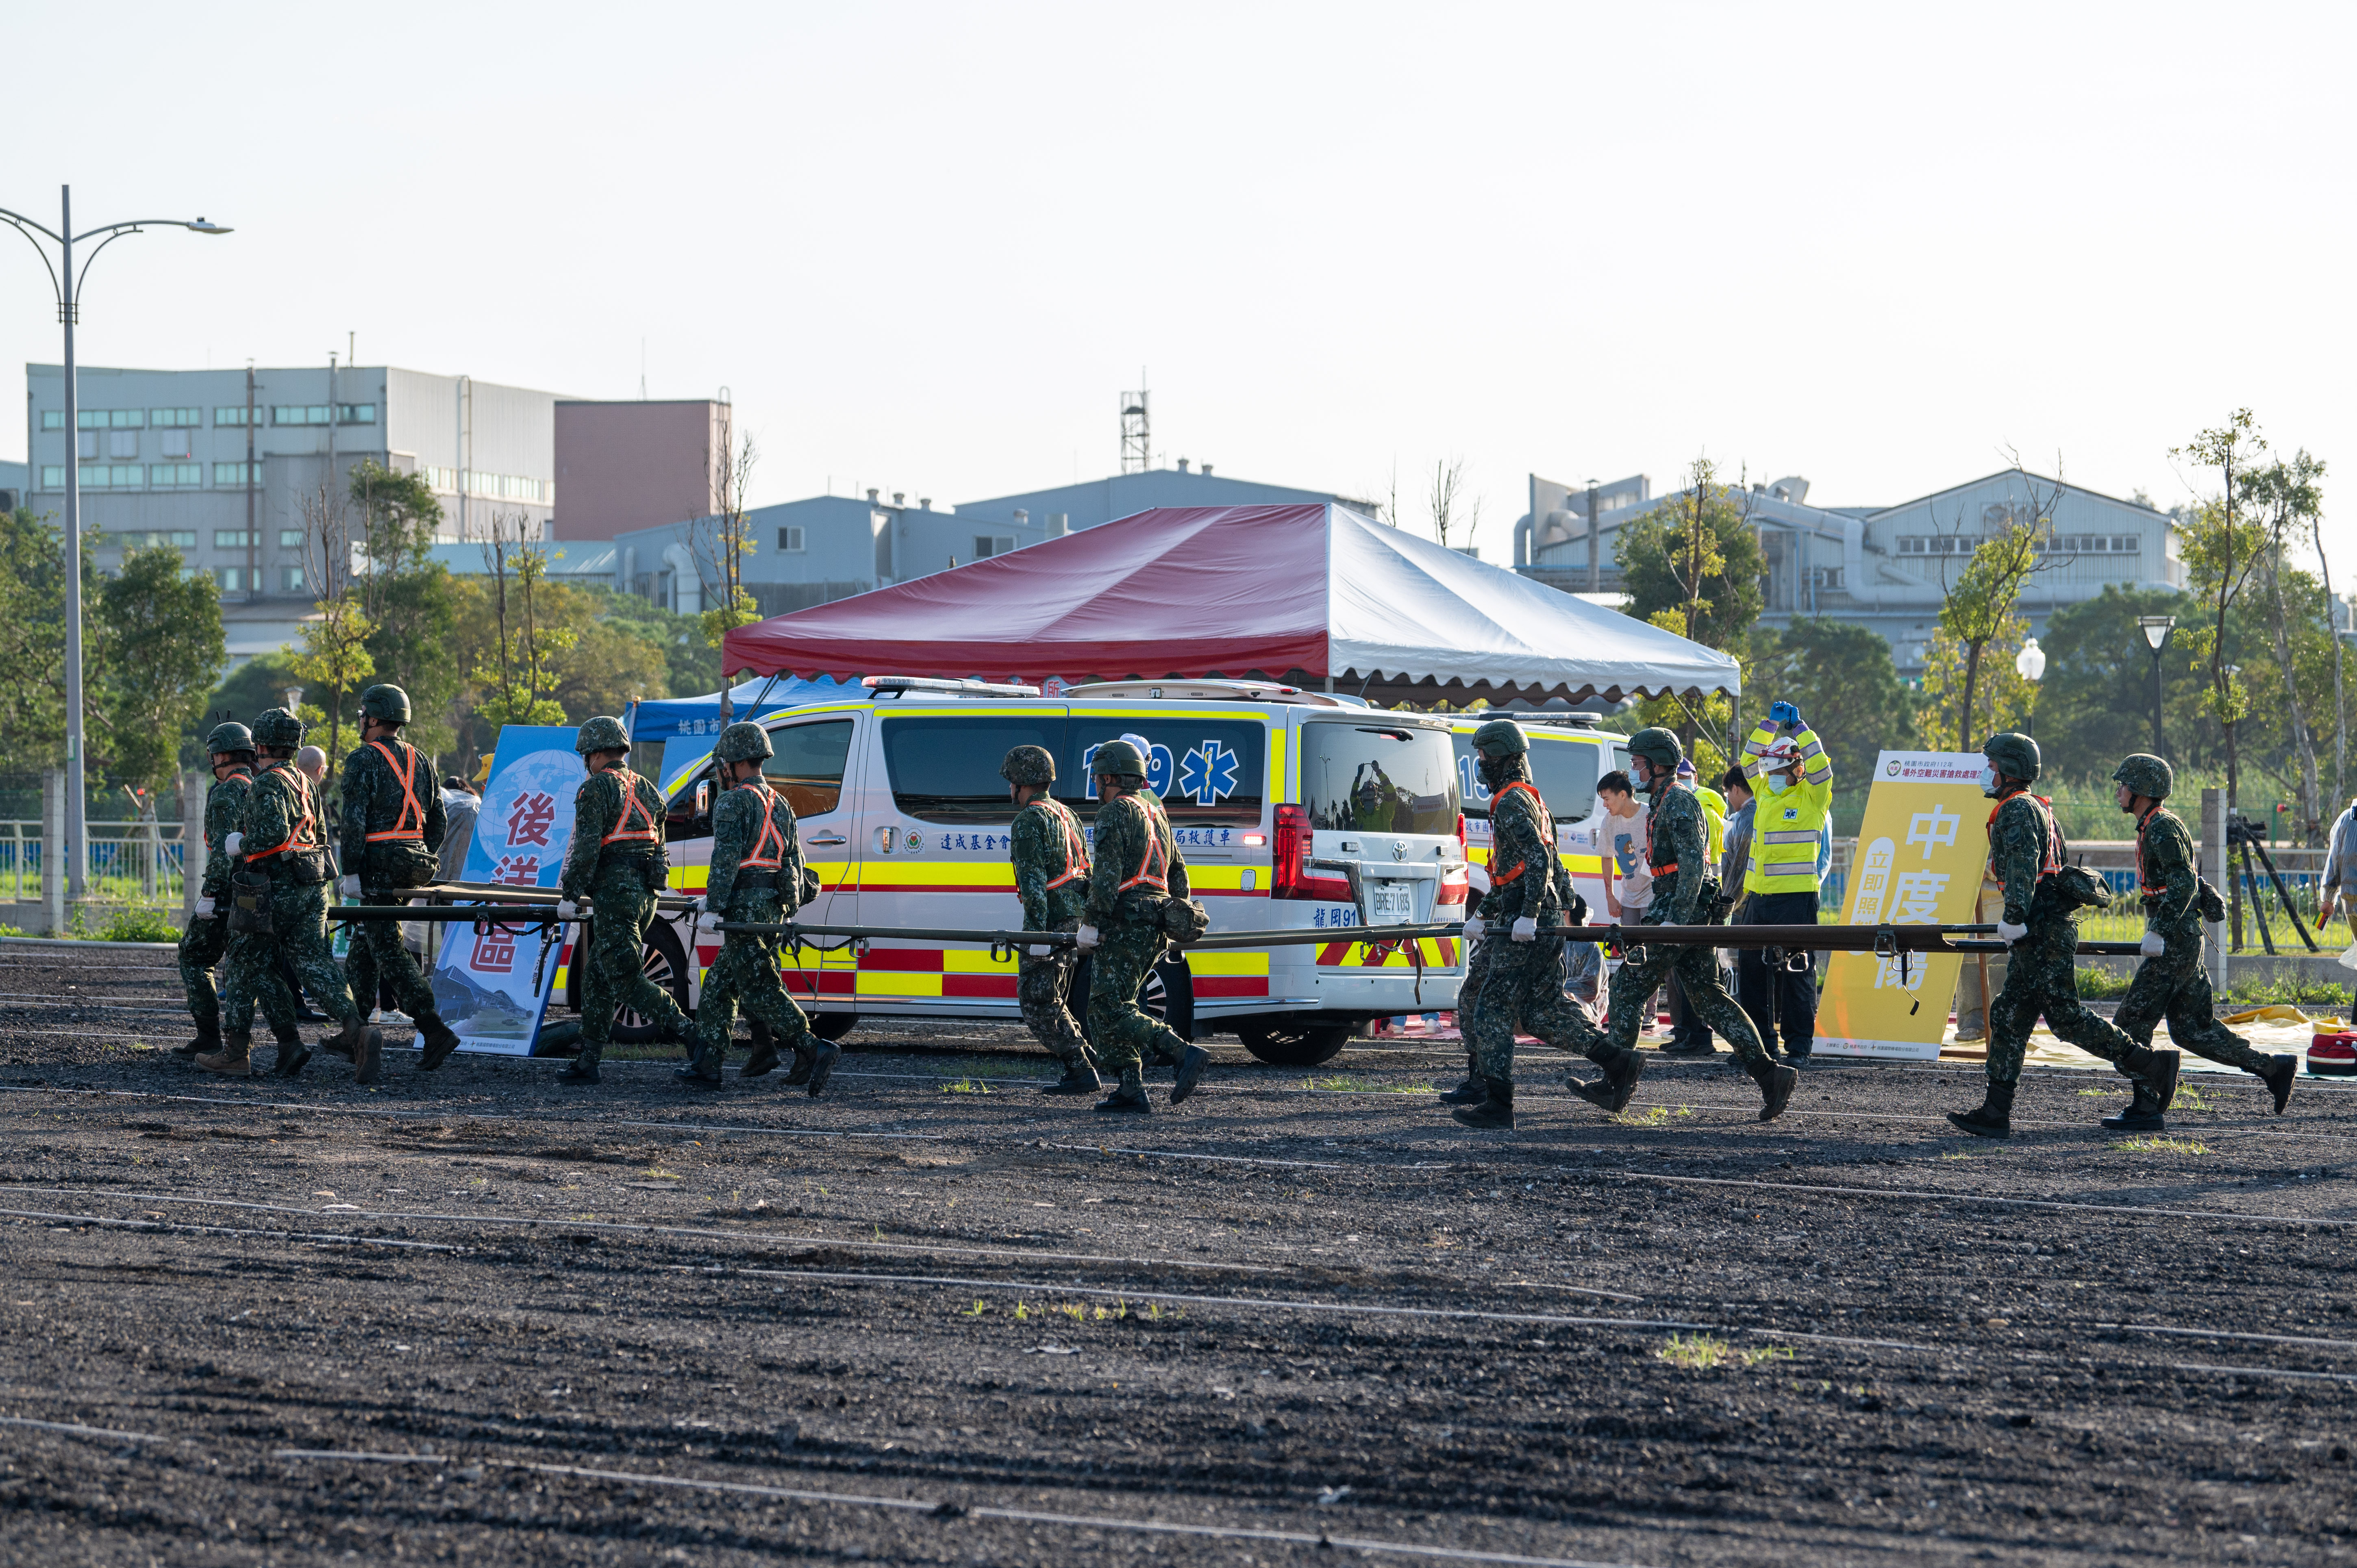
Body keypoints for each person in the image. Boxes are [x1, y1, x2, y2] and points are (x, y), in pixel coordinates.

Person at [1947, 733, 2177, 1138]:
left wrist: (2014, 916)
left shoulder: (2015, 810)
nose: (1987, 773)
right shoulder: (2037, 808)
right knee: (2007, 1014)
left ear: (2010, 770)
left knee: (2067, 1020)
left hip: (2039, 931)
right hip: (2042, 929)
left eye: (1992, 766)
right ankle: (1994, 1111)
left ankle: (2150, 1065)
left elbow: (2020, 869)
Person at [1600, 728, 1794, 1120]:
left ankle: (1616, 1080)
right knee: (1709, 998)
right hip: (1682, 905)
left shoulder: (1677, 802)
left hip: (1681, 906)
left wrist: (1675, 920)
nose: (1633, 769)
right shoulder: (1663, 801)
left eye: (1639, 763)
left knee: (1627, 984)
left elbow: (1693, 866)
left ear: (1658, 765)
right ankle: (1770, 1075)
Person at [2103, 753, 2296, 1125]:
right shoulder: (2154, 826)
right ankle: (2273, 1069)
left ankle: (2146, 1103)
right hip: (2182, 937)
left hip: (2175, 940)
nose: (2119, 792)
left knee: (2129, 1025)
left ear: (2142, 790)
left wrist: (2158, 929)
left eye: (2124, 785)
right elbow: (2188, 877)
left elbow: (2183, 883)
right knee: (2194, 1030)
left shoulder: (2160, 826)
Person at [1447, 719, 1620, 1129]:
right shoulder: (1530, 799)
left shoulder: (1511, 803)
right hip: (1519, 913)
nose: (1480, 764)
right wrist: (1483, 915)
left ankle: (1498, 1104)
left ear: (1502, 758)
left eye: (1484, 756)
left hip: (1524, 919)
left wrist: (1530, 914)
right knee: (1537, 1011)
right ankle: (1619, 1060)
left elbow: (1538, 863)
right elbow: (1533, 867)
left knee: (1491, 1006)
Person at [200, 708, 378, 1079]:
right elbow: (324, 836)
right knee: (317, 966)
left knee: (244, 961)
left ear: (260, 744)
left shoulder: (267, 783)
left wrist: (238, 844)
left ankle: (235, 1052)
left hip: (272, 889)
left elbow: (271, 836)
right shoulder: (306, 782)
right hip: (314, 887)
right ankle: (358, 1032)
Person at [678, 721, 837, 1092]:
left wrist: (714, 908)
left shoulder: (733, 801)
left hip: (744, 911)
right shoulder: (780, 803)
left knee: (760, 988)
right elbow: (792, 862)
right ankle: (707, 1065)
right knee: (719, 984)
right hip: (771, 909)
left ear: (732, 764)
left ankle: (813, 1048)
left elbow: (726, 860)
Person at [554, 716, 691, 1084]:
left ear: (597, 753)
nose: (587, 762)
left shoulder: (595, 790)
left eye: (587, 755)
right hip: (646, 896)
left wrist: (570, 895)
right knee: (598, 977)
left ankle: (694, 1036)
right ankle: (589, 1060)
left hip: (615, 896)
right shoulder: (647, 789)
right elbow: (660, 848)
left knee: (628, 979)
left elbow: (585, 851)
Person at [1076, 739, 1209, 1113]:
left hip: (1126, 924)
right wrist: (1175, 917)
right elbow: (1179, 872)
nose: (1096, 786)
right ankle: (1131, 1089)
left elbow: (1105, 879)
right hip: (1155, 923)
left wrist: (1091, 923)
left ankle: (1182, 1052)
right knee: (1119, 1005)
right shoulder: (1156, 813)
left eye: (1097, 778)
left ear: (1109, 777)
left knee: (1107, 1005)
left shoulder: (1115, 813)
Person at [336, 684, 461, 1071]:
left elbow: (354, 821)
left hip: (377, 866)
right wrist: (418, 856)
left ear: (374, 719)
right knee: (366, 945)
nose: (360, 722)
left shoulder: (362, 760)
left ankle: (433, 1027)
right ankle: (354, 1030)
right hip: (412, 863)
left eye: (363, 716)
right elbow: (438, 820)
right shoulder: (421, 759)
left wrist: (352, 871)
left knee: (387, 947)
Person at [175, 723, 302, 1067]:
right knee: (262, 967)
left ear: (221, 755)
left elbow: (222, 850)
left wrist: (209, 894)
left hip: (231, 894)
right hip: (262, 890)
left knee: (194, 955)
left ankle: (210, 1036)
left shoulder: (227, 792)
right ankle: (289, 1042)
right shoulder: (261, 784)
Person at [1735, 701, 1833, 1062]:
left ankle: (1798, 1048)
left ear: (1797, 768)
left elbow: (1822, 766)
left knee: (1797, 973)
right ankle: (1759, 1045)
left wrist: (1800, 729)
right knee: (1752, 975)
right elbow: (1748, 762)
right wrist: (1769, 725)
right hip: (1758, 899)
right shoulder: (1764, 793)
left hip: (1797, 899)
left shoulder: (1813, 795)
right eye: (1770, 768)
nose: (1771, 774)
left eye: (1779, 768)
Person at [1003, 744, 1102, 1095]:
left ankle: (1080, 1067)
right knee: (1056, 1000)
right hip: (1075, 922)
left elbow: (1033, 888)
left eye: (1011, 782)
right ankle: (1085, 1058)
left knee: (1036, 1002)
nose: (1010, 790)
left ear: (1020, 782)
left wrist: (1037, 940)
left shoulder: (1029, 820)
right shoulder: (1067, 814)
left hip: (1053, 925)